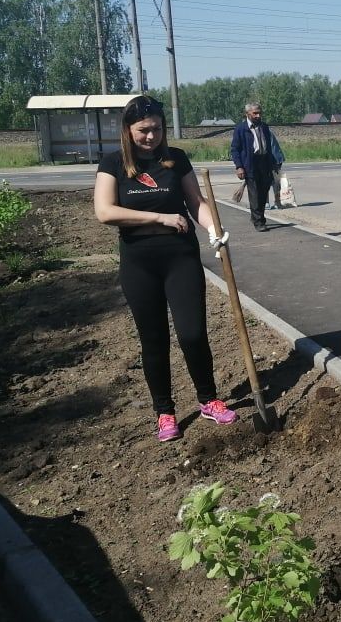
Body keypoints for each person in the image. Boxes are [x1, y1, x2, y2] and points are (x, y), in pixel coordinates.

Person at [93, 95, 238, 443]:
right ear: (128, 130)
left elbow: (196, 203)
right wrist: (159, 216)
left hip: (180, 257)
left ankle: (208, 399)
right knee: (153, 339)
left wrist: (213, 230)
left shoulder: (176, 159)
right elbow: (105, 212)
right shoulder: (112, 164)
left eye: (157, 128)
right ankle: (165, 411)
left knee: (192, 333)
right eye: (144, 130)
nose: (151, 136)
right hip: (139, 260)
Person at [230, 102, 278, 231]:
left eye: (259, 113)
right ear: (247, 114)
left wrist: (273, 163)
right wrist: (239, 166)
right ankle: (259, 222)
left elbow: (269, 147)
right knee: (255, 194)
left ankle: (256, 217)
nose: (258, 115)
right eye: (255, 113)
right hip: (250, 164)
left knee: (263, 194)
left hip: (264, 163)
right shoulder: (241, 129)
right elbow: (235, 149)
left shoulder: (264, 127)